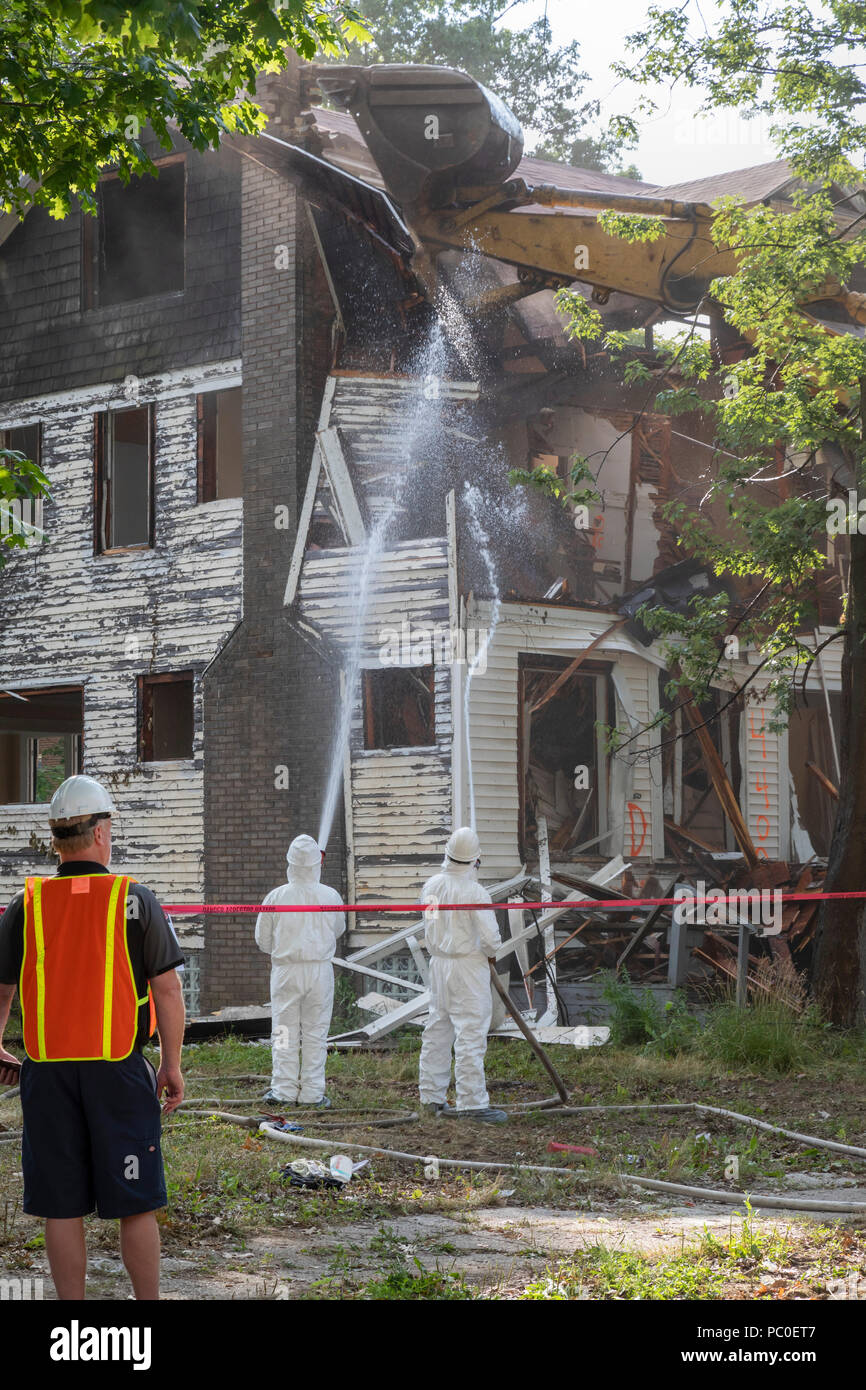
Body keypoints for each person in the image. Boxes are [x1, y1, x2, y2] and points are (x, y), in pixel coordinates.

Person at [0, 775, 185, 1300]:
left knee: (60, 1205)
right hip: (118, 1073)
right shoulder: (135, 902)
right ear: (101, 832)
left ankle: (72, 1321)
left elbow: (2, 990)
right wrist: (171, 1065)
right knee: (135, 1202)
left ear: (57, 838)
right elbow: (168, 992)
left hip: (48, 1075)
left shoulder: (24, 906)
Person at [418, 826, 507, 1124]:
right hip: (468, 967)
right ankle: (471, 1104)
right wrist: (491, 953)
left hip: (439, 964)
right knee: (470, 1033)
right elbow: (491, 937)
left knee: (438, 1030)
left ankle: (431, 1097)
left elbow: (430, 924)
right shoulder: (475, 891)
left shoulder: (431, 886)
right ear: (475, 861)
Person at [255, 834, 345, 1107]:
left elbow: (263, 940)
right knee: (316, 1032)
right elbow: (338, 929)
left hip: (286, 972)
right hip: (319, 973)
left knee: (283, 1031)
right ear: (318, 864)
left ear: (290, 864)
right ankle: (312, 1094)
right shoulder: (331, 896)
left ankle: (283, 1091)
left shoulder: (276, 896)